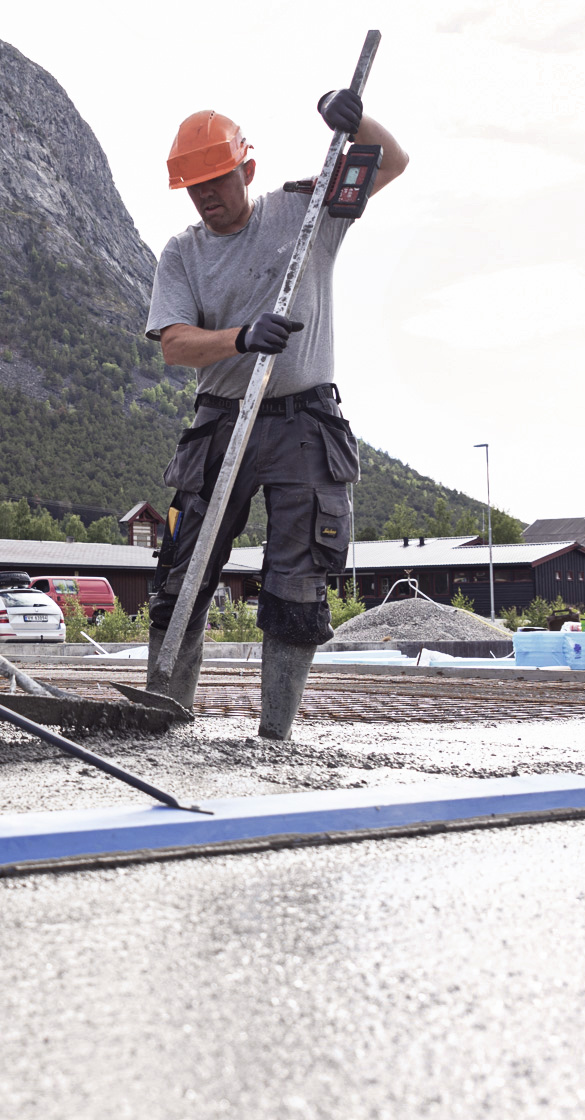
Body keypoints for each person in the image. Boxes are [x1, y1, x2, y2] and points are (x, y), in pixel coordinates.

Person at [143, 89, 409, 739]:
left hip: (304, 424)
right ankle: (162, 720)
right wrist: (240, 337)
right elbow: (175, 343)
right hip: (218, 422)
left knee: (297, 584)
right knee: (179, 574)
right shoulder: (183, 252)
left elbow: (391, 160)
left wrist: (354, 121)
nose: (206, 194)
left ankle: (275, 739)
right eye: (194, 185)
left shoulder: (307, 210)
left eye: (216, 179)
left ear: (247, 171)